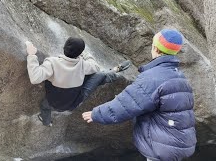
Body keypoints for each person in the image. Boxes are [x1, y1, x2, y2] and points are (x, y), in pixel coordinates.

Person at [82, 29, 197, 161]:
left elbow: (125, 105)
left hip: (162, 149)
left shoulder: (153, 78)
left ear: (155, 48)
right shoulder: (180, 76)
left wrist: (96, 113)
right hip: (180, 143)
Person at [26, 37, 131, 127]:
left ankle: (47, 122)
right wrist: (86, 55)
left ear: (64, 48)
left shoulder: (52, 62)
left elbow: (35, 78)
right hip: (73, 103)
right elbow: (95, 67)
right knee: (99, 76)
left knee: (44, 106)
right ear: (80, 54)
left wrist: (31, 55)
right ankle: (114, 71)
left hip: (52, 103)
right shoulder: (83, 64)